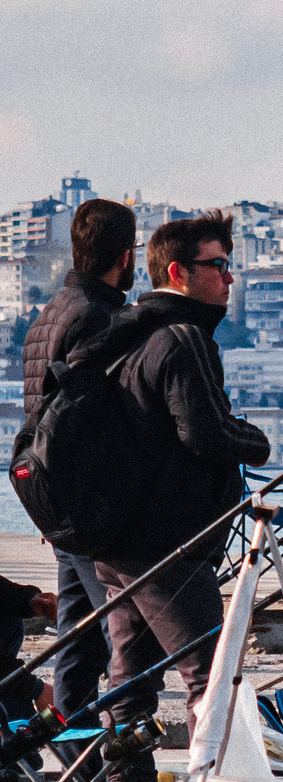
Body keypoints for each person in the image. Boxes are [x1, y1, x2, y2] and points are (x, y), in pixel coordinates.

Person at [91, 213, 270, 782]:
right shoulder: (181, 338)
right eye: (218, 265)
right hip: (165, 541)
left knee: (130, 673)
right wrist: (256, 440)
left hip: (119, 539)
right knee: (210, 674)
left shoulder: (126, 332)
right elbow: (204, 433)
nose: (229, 277)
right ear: (178, 272)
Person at [21, 198, 165, 736]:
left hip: (55, 502)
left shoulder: (52, 312)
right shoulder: (96, 318)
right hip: (87, 507)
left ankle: (79, 774)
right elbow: (95, 423)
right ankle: (121, 773)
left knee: (77, 642)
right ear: (126, 256)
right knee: (120, 635)